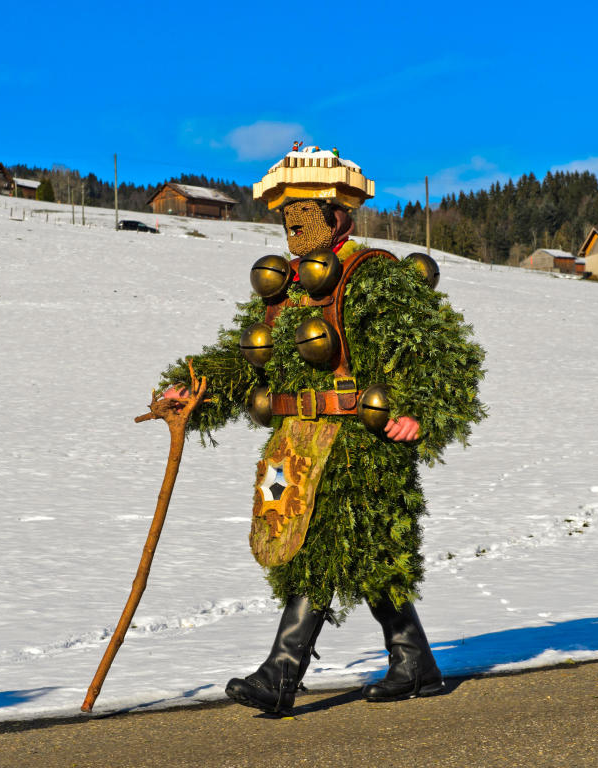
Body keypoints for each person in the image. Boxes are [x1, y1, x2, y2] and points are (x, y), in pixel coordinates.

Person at [158, 147, 486, 714]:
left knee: (323, 542)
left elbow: (440, 357)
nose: (294, 224)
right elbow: (245, 365)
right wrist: (194, 387)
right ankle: (415, 662)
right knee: (373, 552)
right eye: (288, 214)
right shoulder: (282, 296)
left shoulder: (373, 275)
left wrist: (416, 411)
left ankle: (281, 673)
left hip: (361, 440)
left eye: (306, 212)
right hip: (295, 441)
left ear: (339, 215)